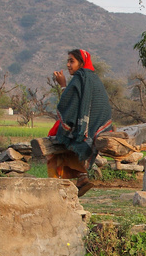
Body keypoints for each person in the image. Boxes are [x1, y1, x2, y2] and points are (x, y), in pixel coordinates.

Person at [47, 49, 113, 196]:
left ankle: (56, 185)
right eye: (68, 61)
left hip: (86, 128)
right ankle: (81, 176)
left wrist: (63, 84)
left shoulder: (79, 78)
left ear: (81, 63)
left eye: (72, 61)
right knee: (62, 136)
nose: (68, 65)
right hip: (98, 127)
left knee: (54, 139)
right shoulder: (93, 78)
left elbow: (68, 105)